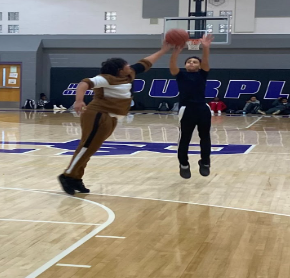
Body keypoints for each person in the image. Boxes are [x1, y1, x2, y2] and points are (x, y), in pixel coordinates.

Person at [58, 41, 171, 195]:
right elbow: (84, 83)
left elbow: (145, 63)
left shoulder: (129, 75)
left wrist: (164, 50)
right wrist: (79, 100)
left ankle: (76, 177)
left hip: (112, 117)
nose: (129, 66)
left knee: (91, 149)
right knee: (86, 147)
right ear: (119, 70)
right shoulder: (105, 78)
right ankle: (67, 176)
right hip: (97, 114)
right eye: (126, 65)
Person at [169, 34, 213, 179]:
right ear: (185, 65)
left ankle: (205, 162)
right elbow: (172, 65)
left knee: (205, 137)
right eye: (189, 62)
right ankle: (184, 164)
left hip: (202, 109)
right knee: (185, 139)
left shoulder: (202, 74)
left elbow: (205, 61)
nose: (192, 63)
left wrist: (205, 48)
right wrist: (176, 51)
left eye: (195, 62)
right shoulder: (180, 75)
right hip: (186, 110)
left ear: (199, 65)